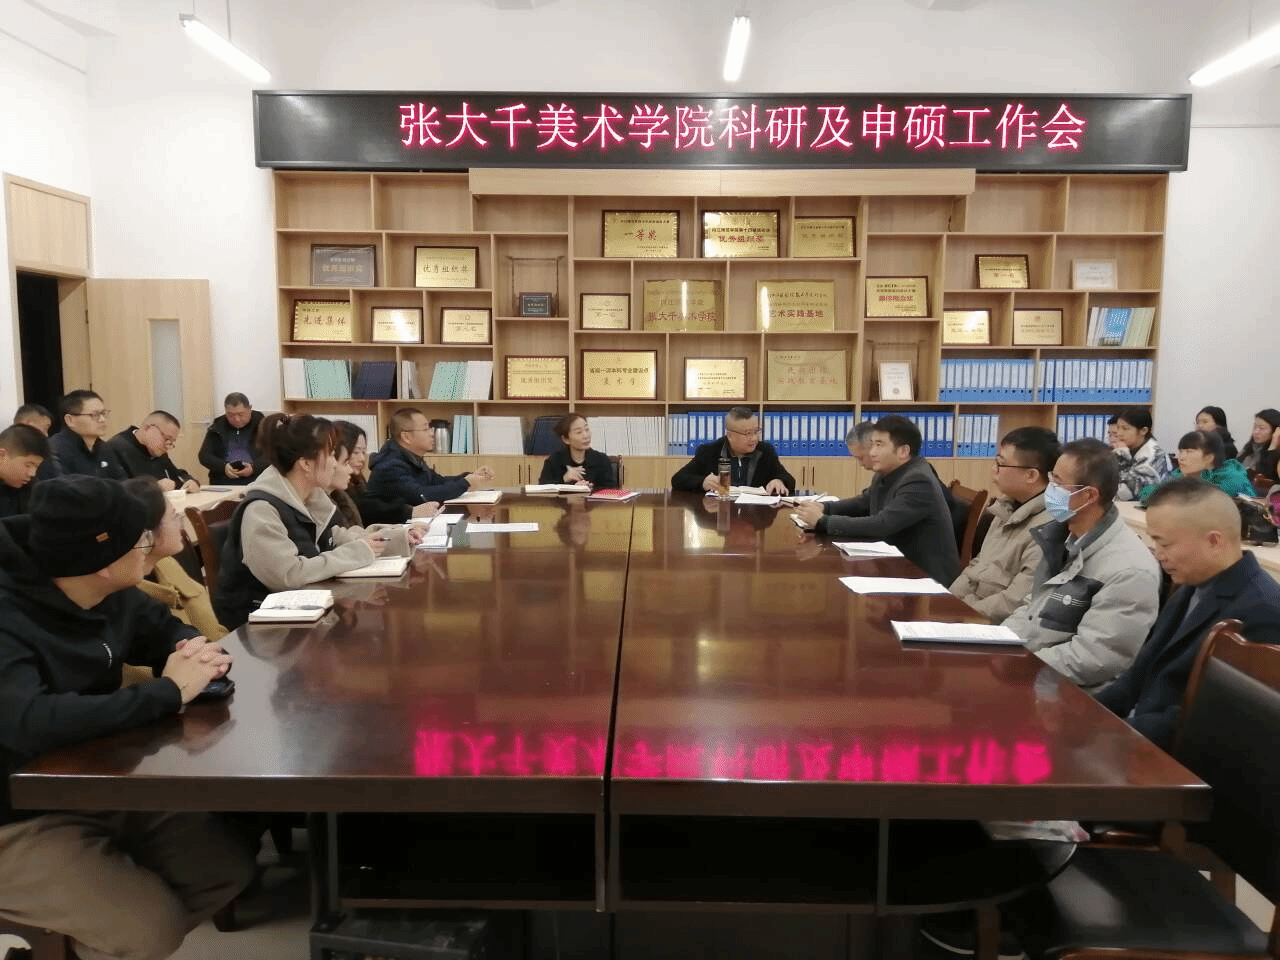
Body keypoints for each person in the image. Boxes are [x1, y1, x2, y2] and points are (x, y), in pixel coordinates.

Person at [0, 475, 253, 959]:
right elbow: (27, 721)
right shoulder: (10, 610)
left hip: (91, 780)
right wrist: (168, 692)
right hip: (14, 809)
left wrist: (191, 650)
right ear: (101, 563)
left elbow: (161, 629)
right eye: (141, 540)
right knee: (148, 930)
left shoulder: (111, 588)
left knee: (224, 871)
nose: (151, 547)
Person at [1097, 478, 1280, 751]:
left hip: (1177, 756)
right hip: (1139, 734)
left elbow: (1214, 719)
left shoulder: (1263, 611)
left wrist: (1114, 736)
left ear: (1214, 541)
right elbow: (1140, 672)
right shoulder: (1192, 584)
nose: (1158, 554)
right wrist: (1088, 713)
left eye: (1165, 544)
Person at [215, 414, 415, 628]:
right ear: (305, 464)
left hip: (303, 616)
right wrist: (358, 552)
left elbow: (338, 537)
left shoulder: (310, 498)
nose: (335, 463)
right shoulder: (261, 509)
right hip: (260, 627)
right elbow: (289, 575)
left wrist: (395, 538)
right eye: (331, 455)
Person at [1002, 438, 1161, 690]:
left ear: (1088, 495)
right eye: (1051, 478)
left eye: (1058, 483)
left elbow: (1094, 658)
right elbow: (1032, 607)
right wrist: (1000, 643)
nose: (1049, 489)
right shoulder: (1063, 537)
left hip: (1074, 694)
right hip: (1034, 673)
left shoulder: (1130, 570)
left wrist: (1019, 666)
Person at [793, 415, 960, 585]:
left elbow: (882, 524)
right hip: (897, 565)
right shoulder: (889, 472)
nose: (872, 452)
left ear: (903, 451)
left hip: (926, 579)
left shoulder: (918, 480)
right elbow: (863, 503)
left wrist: (824, 522)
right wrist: (824, 507)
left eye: (879, 445)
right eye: (872, 444)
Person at [951, 426, 1060, 620]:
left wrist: (960, 614)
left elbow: (1015, 601)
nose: (994, 470)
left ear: (1031, 475)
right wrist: (946, 602)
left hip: (991, 624)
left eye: (1000, 464)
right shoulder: (1005, 507)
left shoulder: (1048, 528)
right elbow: (975, 567)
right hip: (967, 612)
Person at [125, 477, 227, 642]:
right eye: (174, 516)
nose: (180, 525)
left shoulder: (166, 564)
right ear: (147, 535)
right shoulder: (129, 596)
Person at [366, 408, 494, 507]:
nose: (432, 434)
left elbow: (439, 482)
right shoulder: (390, 466)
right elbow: (421, 496)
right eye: (425, 429)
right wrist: (465, 483)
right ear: (406, 437)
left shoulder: (411, 458)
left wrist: (470, 477)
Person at [325, 421, 438, 530]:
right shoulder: (333, 493)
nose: (362, 458)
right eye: (356, 452)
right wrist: (410, 512)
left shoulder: (357, 481)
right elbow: (368, 509)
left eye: (363, 452)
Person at [671, 406, 795, 496]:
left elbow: (789, 479)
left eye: (756, 431)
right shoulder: (710, 451)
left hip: (755, 515)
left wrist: (779, 481)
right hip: (720, 514)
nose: (754, 438)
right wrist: (703, 482)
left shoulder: (765, 451)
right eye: (747, 433)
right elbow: (678, 479)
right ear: (730, 436)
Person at [1138, 429, 1252, 503]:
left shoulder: (1230, 479)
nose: (1181, 457)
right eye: (1181, 451)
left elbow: (1200, 505)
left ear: (1209, 457)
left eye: (1189, 452)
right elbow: (1147, 493)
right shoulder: (1181, 473)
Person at [106, 410, 202, 493]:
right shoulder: (115, 448)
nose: (167, 446)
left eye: (171, 442)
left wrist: (190, 481)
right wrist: (153, 487)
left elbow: (176, 474)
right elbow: (117, 489)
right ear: (148, 428)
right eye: (166, 439)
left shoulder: (157, 450)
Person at [47, 389, 126, 480]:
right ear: (70, 420)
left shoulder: (105, 448)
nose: (102, 419)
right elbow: (62, 486)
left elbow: (122, 482)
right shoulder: (55, 450)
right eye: (95, 415)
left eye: (103, 413)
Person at [199, 392, 267, 486]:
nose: (236, 419)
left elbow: (274, 453)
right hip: (223, 481)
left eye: (240, 414)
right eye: (230, 415)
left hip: (257, 480)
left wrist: (254, 468)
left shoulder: (263, 424)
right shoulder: (217, 426)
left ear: (249, 408)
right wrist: (223, 466)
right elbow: (204, 456)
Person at [1109, 406, 1169, 501]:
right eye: (1119, 428)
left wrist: (1122, 458)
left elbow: (1123, 493)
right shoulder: (1128, 449)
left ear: (1143, 431)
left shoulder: (1153, 456)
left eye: (1125, 429)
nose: (1119, 433)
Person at [539, 414, 614, 488]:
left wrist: (589, 489)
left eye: (587, 429)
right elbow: (543, 488)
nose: (586, 436)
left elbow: (611, 490)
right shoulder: (554, 461)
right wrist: (564, 479)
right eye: (579, 432)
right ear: (566, 439)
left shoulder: (601, 460)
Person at [0, 424, 49, 519]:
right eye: (28, 465)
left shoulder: (35, 489)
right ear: (2, 455)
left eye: (37, 466)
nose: (32, 473)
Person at [1237, 407, 1280, 489]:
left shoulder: (1276, 453)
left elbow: (1264, 478)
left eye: (1261, 428)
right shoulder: (1250, 447)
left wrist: (1272, 447)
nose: (1256, 432)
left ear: (1275, 431)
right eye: (1255, 427)